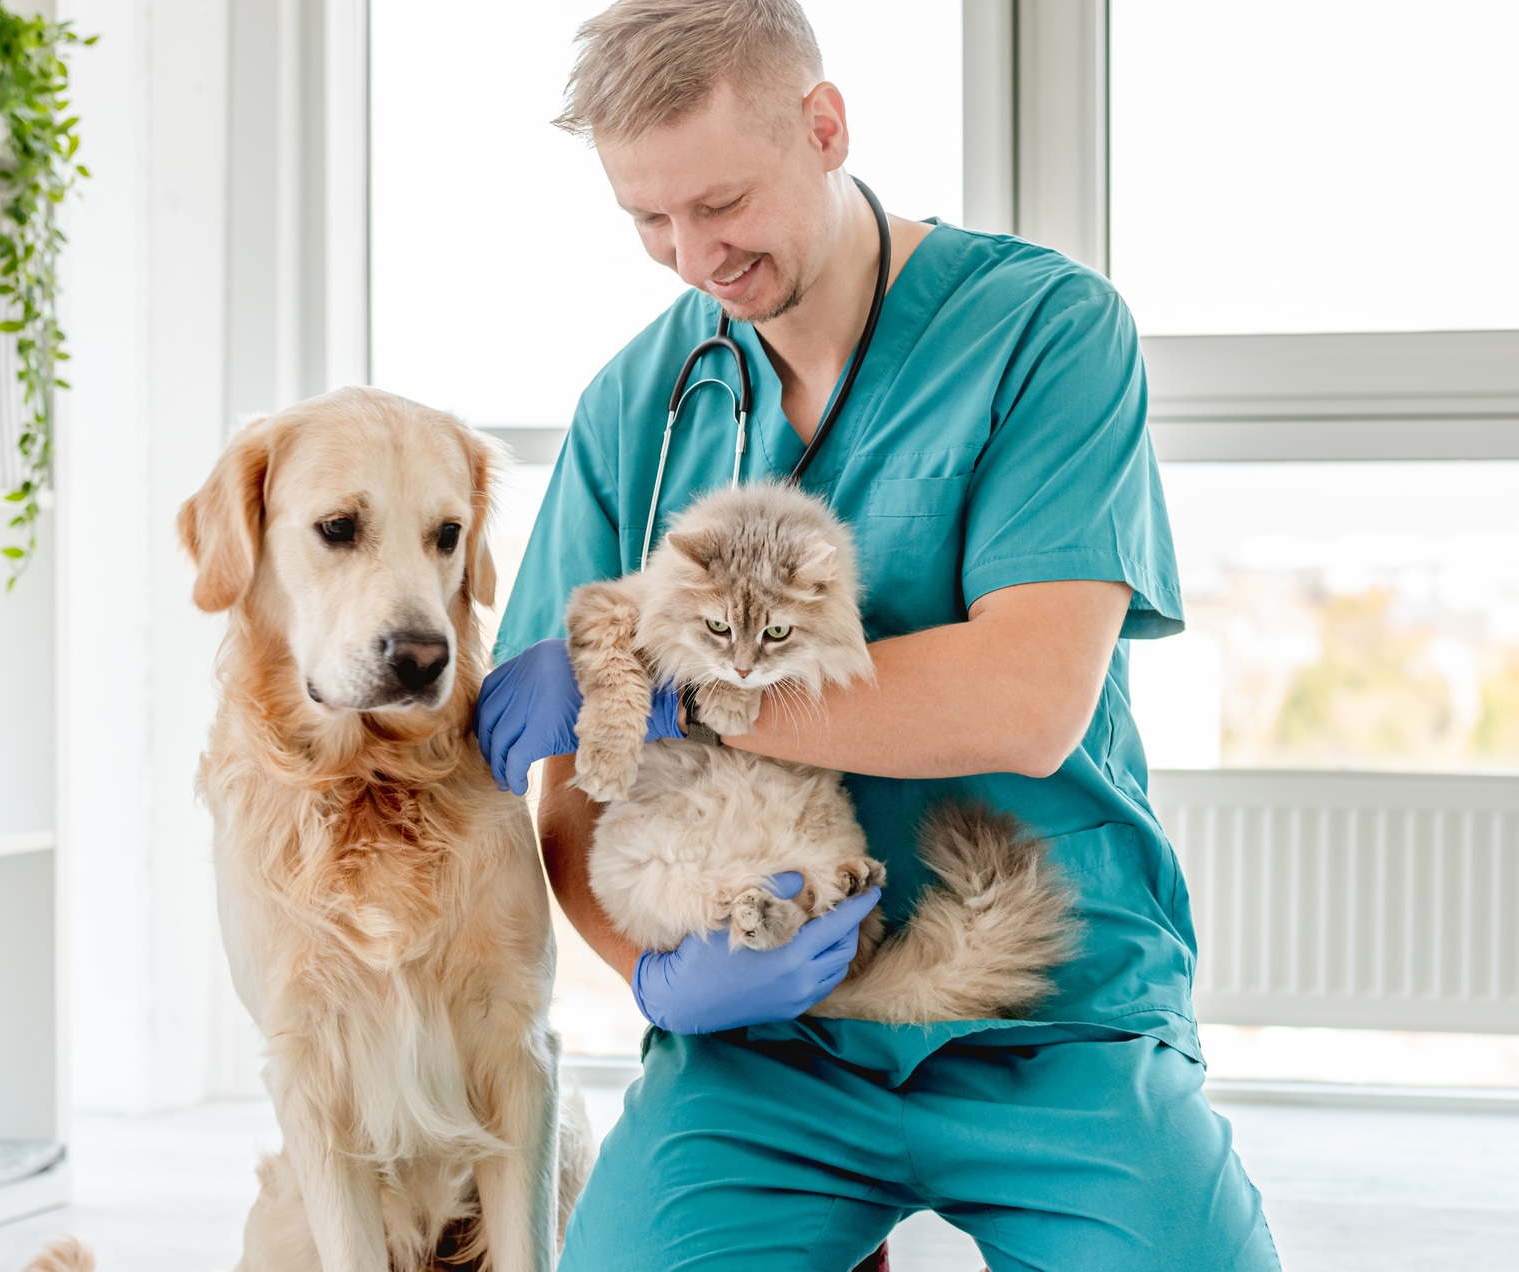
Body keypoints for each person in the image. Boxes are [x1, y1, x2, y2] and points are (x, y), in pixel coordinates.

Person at [475, 2, 1279, 1267]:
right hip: (760, 1054)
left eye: (721, 202)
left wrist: (683, 690)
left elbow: (1024, 700)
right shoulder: (637, 403)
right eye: (648, 220)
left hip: (1046, 1007)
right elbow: (576, 789)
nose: (693, 257)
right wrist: (652, 977)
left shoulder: (1041, 332)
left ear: (824, 124)